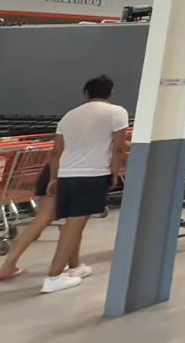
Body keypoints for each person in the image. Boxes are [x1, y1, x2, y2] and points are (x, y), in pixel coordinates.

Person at [39, 75, 130, 295]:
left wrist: (53, 178)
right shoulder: (117, 112)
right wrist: (115, 172)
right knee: (75, 223)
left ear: (85, 93)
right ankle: (53, 276)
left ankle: (75, 266)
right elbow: (119, 148)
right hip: (92, 174)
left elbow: (56, 151)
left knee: (74, 221)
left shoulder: (69, 115)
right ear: (110, 92)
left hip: (66, 174)